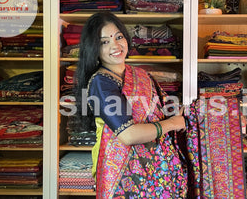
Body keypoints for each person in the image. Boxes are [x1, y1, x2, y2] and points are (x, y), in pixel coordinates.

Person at [75, 12, 188, 198]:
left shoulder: (139, 74)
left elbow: (162, 108)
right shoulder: (101, 83)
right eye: (105, 42)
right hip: (123, 175)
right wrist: (174, 124)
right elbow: (128, 135)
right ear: (94, 48)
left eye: (119, 37)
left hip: (156, 168)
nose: (115, 45)